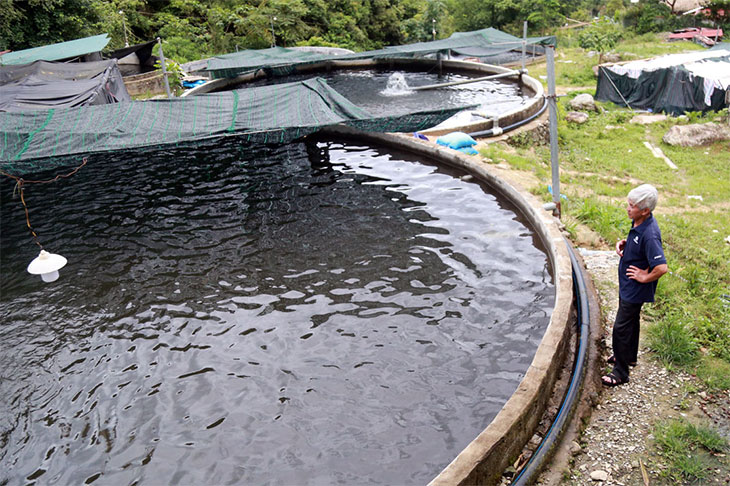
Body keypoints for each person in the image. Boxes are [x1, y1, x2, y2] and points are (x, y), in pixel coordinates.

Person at [602, 184, 668, 387]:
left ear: (645, 210)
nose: (628, 208)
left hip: (634, 289)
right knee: (631, 321)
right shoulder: (640, 223)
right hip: (628, 285)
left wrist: (644, 276)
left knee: (620, 328)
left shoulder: (650, 234)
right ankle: (629, 356)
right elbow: (640, 245)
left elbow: (662, 267)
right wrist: (626, 245)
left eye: (632, 206)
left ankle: (620, 372)